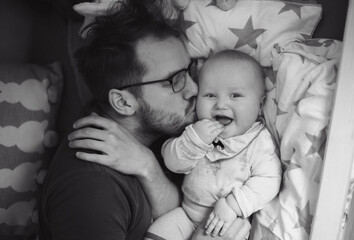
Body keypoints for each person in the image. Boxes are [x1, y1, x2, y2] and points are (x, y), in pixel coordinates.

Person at [39, 0, 251, 239]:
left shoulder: (154, 133)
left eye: (190, 70)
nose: (194, 89)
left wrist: (148, 167)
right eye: (175, 80)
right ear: (124, 102)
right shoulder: (91, 187)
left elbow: (175, 213)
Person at [144, 50, 282, 240]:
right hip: (185, 213)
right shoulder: (194, 129)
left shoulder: (258, 140)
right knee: (159, 231)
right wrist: (194, 141)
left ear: (260, 105)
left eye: (235, 95)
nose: (221, 104)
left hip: (226, 225)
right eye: (209, 95)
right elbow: (172, 161)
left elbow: (269, 179)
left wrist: (234, 204)